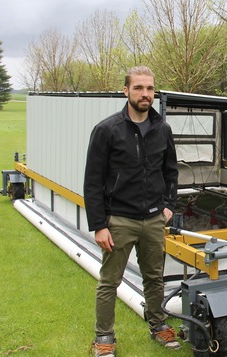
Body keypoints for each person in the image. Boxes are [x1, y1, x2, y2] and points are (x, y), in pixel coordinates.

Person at [84, 66, 179, 357]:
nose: (145, 94)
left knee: (154, 277)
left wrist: (168, 206)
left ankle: (158, 326)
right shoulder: (106, 130)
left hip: (152, 221)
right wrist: (99, 225)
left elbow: (171, 171)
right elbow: (93, 180)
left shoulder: (162, 129)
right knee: (109, 281)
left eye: (150, 89)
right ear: (126, 91)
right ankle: (104, 339)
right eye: (138, 88)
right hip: (119, 221)